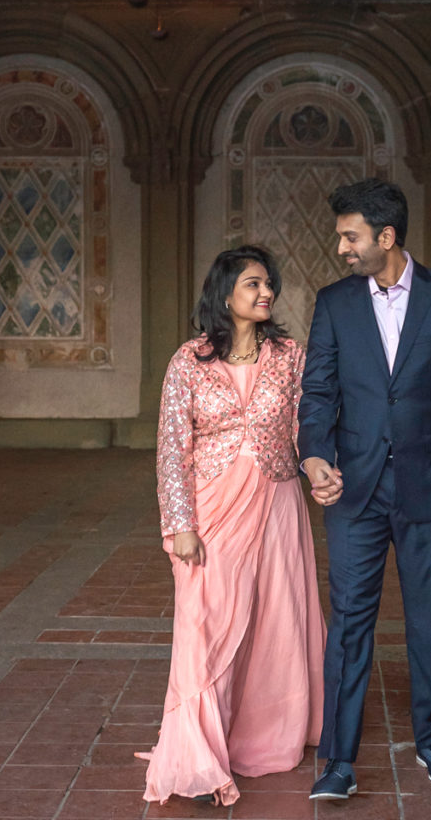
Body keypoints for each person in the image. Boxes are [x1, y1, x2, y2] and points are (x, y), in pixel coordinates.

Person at [298, 178, 431, 800]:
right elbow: (319, 393)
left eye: (350, 236)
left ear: (387, 237)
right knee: (349, 623)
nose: (341, 248)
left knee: (428, 621)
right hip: (354, 490)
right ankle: (337, 760)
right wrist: (314, 456)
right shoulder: (333, 303)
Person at [138, 245, 326, 808]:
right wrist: (180, 523)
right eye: (252, 284)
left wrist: (319, 465)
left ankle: (267, 732)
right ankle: (198, 751)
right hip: (211, 510)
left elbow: (306, 422)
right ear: (225, 295)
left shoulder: (290, 355)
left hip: (277, 501)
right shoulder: (188, 361)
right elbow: (172, 450)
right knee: (206, 626)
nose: (266, 292)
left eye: (269, 283)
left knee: (277, 616)